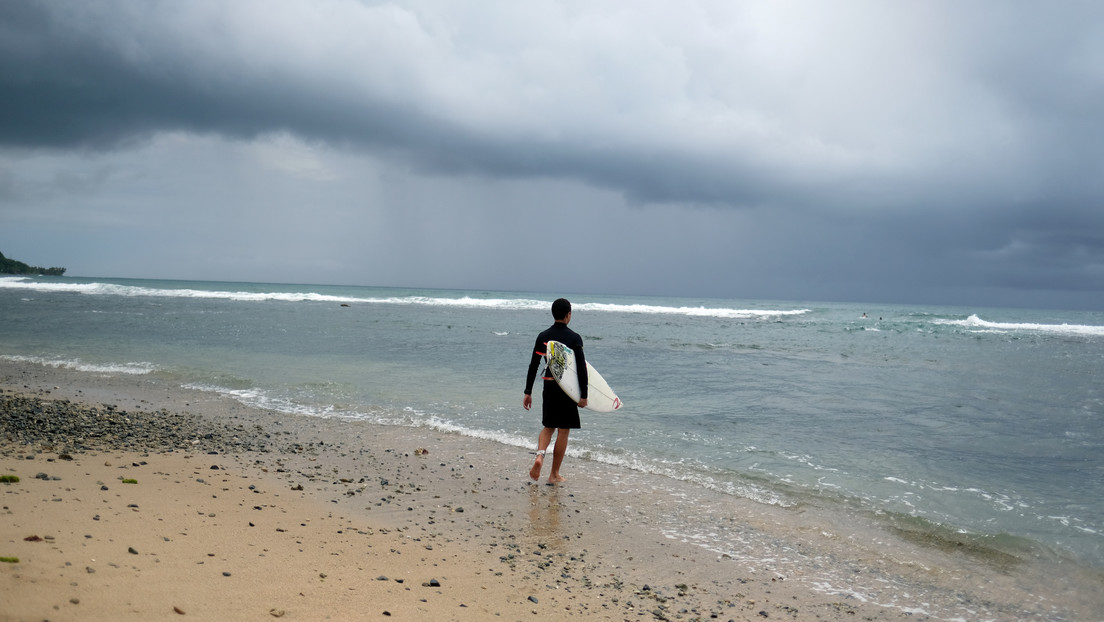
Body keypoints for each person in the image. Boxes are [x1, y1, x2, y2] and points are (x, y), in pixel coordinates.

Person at [523, 298, 587, 483]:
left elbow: (534, 365)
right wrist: (584, 395)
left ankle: (540, 456)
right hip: (566, 390)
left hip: (549, 385)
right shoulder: (574, 338)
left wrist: (528, 391)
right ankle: (554, 474)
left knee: (548, 426)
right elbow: (581, 368)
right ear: (568, 315)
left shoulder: (543, 336)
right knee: (563, 430)